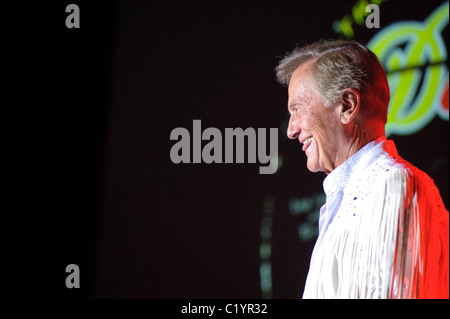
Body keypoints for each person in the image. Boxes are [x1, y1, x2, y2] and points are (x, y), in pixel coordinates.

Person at [275, 40, 449, 299]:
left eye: (297, 109)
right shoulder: (351, 200)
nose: (291, 130)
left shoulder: (393, 185)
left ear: (347, 105)